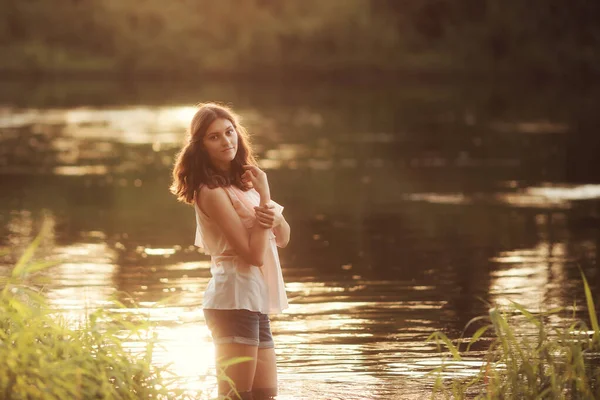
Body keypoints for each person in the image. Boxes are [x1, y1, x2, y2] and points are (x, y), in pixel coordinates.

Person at [170, 103, 290, 400]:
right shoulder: (211, 193)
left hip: (255, 300)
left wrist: (271, 210)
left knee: (266, 395)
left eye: (229, 131)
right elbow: (253, 256)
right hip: (233, 300)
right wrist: (266, 195)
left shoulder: (245, 183)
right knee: (235, 397)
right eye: (214, 137)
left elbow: (283, 238)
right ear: (201, 146)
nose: (226, 141)